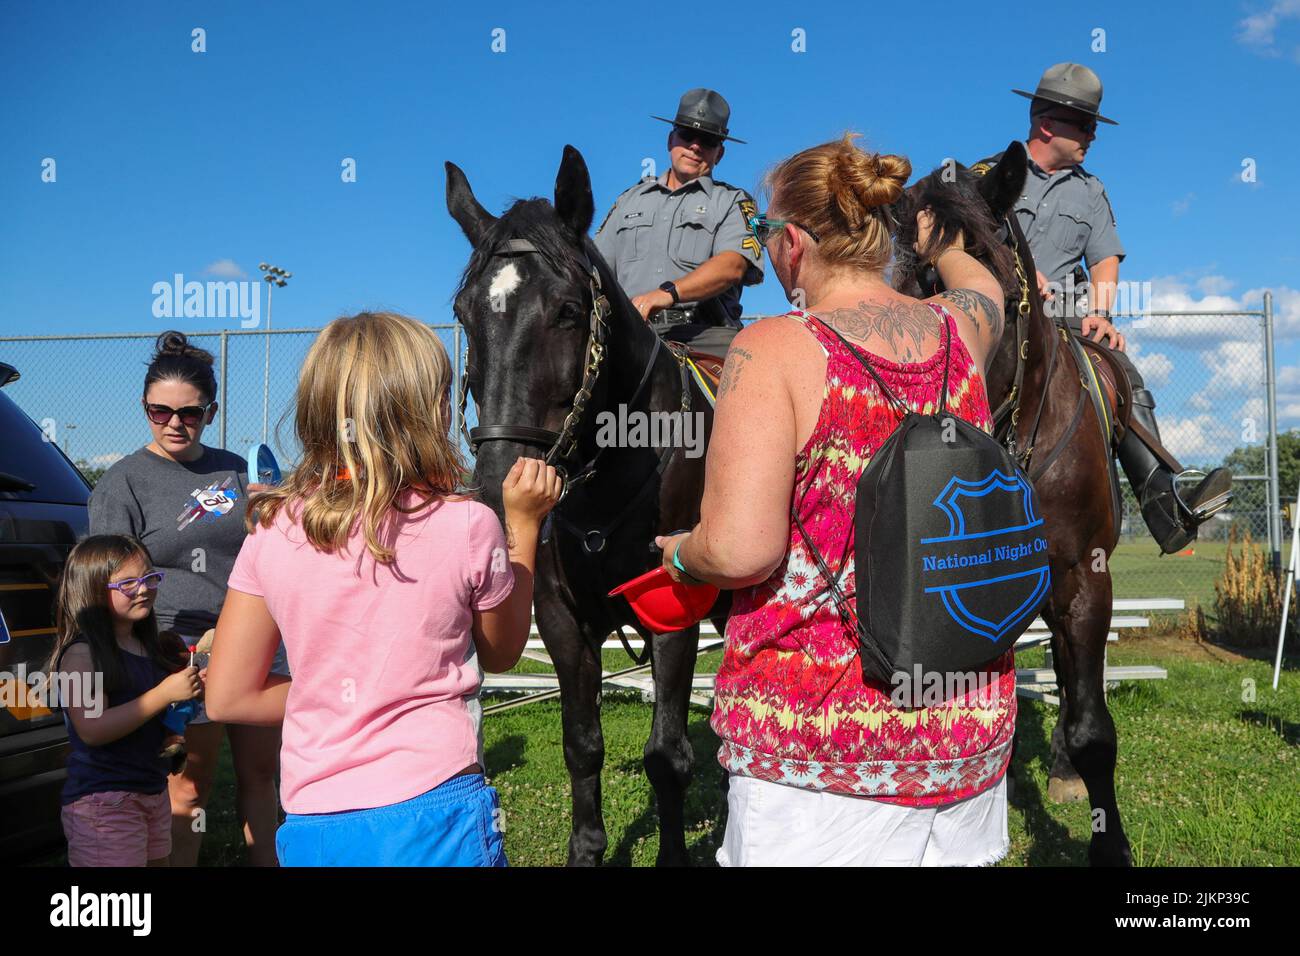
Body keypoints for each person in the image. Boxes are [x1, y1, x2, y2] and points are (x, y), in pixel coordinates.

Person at [655, 134, 1014, 866]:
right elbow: (986, 285)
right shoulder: (960, 330)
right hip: (965, 743)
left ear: (791, 244)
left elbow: (742, 548)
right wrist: (939, 239)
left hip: (819, 765)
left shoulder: (772, 347)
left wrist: (685, 554)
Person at [204, 311, 561, 867]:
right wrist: (526, 526)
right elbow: (503, 649)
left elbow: (228, 694)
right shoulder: (468, 524)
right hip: (436, 811)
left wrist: (337, 698)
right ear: (424, 412)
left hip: (312, 824)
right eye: (445, 396)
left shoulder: (271, 531)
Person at [979, 63, 1230, 552]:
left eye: (1094, 125)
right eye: (1085, 124)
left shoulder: (1091, 191)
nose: (1093, 135)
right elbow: (955, 243)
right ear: (1048, 123)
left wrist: (1099, 313)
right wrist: (1019, 273)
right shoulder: (987, 176)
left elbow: (1105, 258)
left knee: (1120, 369)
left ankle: (1164, 498)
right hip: (995, 314)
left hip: (1065, 318)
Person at [88, 331, 287, 866]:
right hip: (181, 652)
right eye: (160, 411)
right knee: (189, 792)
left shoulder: (237, 473)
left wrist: (275, 512)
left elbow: (276, 552)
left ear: (212, 411)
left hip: (259, 640)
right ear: (144, 408)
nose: (175, 422)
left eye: (191, 413)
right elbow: (105, 584)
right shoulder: (121, 484)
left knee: (263, 777)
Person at [46, 535, 203, 866]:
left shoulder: (146, 646)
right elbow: (93, 729)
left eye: (149, 578)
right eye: (128, 583)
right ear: (92, 590)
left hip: (151, 791)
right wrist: (163, 694)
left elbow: (154, 714)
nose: (143, 589)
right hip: (104, 802)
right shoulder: (81, 655)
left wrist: (183, 696)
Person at [593, 88, 764, 358]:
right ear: (671, 139)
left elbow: (732, 266)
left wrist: (667, 294)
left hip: (704, 338)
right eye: (687, 135)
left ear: (719, 153)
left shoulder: (735, 202)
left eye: (707, 139)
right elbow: (594, 270)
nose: (695, 146)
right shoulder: (627, 201)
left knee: (752, 376)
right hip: (628, 334)